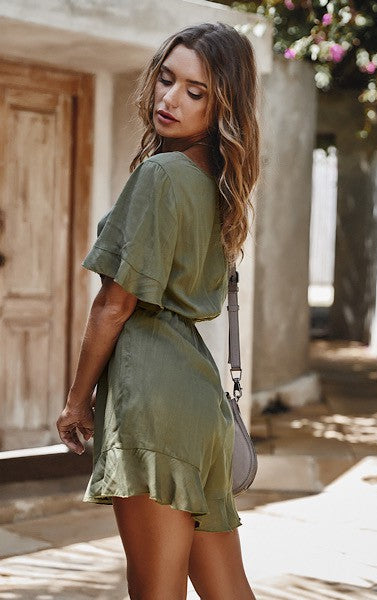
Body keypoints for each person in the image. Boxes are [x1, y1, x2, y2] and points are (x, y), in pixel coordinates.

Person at [56, 21, 260, 600]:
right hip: (200, 398)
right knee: (228, 589)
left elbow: (114, 304)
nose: (170, 99)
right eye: (166, 80)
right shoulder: (216, 182)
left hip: (151, 396)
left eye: (195, 92)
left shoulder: (160, 174)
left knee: (156, 591)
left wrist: (76, 402)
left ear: (222, 106)